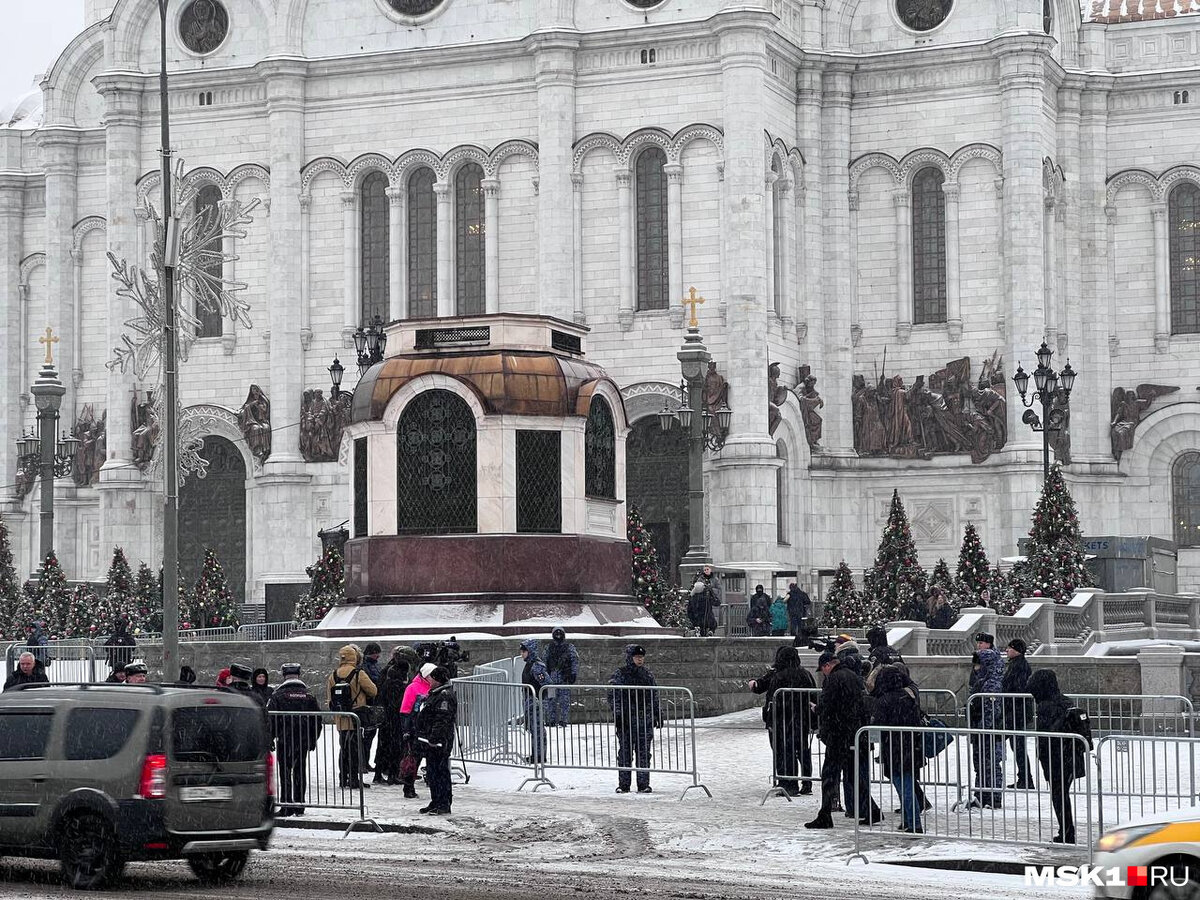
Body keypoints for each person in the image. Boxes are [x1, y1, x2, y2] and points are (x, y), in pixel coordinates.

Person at [805, 650, 881, 829]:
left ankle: (825, 814)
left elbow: (828, 706)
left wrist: (817, 709)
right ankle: (872, 810)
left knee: (829, 776)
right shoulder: (854, 677)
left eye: (823, 669)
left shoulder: (834, 679)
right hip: (854, 733)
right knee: (854, 776)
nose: (823, 673)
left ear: (827, 665)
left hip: (839, 735)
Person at [1028, 669, 1093, 844]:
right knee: (1061, 794)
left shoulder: (1046, 706)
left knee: (1059, 795)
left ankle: (1066, 832)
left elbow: (1046, 734)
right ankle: (1066, 831)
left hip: (1056, 756)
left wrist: (1042, 756)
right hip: (1070, 755)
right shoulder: (1064, 700)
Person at [749, 646, 815, 796]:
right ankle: (807, 782)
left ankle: (787, 783)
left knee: (783, 751)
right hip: (801, 720)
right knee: (803, 750)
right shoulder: (805, 674)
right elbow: (813, 696)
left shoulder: (778, 675)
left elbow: (772, 699)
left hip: (781, 721)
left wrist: (770, 718)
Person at [871, 665, 926, 833]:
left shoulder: (884, 700)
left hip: (894, 747)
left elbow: (878, 726)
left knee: (904, 786)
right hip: (909, 745)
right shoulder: (907, 697)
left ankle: (914, 822)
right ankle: (909, 820)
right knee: (907, 783)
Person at [267, 663, 322, 816]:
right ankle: (299, 804)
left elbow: (270, 720)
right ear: (299, 675)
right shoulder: (308, 695)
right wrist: (312, 739)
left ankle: (286, 804)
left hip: (285, 740)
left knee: (285, 772)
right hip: (302, 741)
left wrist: (270, 738)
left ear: (284, 675)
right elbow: (317, 720)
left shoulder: (277, 696)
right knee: (300, 771)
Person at [609, 645, 659, 794]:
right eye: (637, 657)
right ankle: (624, 785)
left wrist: (657, 713)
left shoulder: (647, 675)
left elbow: (654, 695)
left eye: (642, 657)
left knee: (643, 753)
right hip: (627, 720)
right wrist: (618, 714)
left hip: (644, 720)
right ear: (630, 657)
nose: (640, 659)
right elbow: (614, 696)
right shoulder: (620, 674)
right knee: (625, 753)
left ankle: (643, 784)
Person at [326, 645, 377, 790]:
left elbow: (330, 698)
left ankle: (343, 778)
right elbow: (373, 691)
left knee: (344, 748)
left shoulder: (333, 674)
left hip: (341, 718)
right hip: (355, 716)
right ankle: (354, 779)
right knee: (355, 750)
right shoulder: (358, 673)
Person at [966, 632, 1006, 809]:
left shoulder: (991, 679)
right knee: (981, 762)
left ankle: (993, 797)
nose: (979, 646)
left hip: (988, 728)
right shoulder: (984, 676)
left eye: (982, 643)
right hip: (981, 725)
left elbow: (991, 708)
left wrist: (984, 727)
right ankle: (982, 794)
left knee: (989, 762)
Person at [414, 666, 457, 815]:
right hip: (431, 739)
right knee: (433, 772)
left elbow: (442, 719)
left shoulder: (444, 696)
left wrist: (434, 737)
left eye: (431, 678)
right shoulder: (437, 693)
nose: (428, 681)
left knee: (440, 772)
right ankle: (436, 800)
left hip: (439, 741)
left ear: (437, 680)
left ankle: (443, 803)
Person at [399, 663, 437, 799]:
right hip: (416, 728)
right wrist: (406, 729)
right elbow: (405, 710)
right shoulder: (413, 688)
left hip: (429, 728)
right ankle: (408, 786)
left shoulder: (435, 688)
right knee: (414, 758)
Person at [1002, 638, 1035, 789]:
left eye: (1009, 648)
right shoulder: (1015, 664)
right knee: (1017, 745)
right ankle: (1024, 778)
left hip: (1016, 711)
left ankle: (1025, 779)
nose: (1007, 650)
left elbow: (1016, 687)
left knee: (1018, 746)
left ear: (1017, 650)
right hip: (1016, 711)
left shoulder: (1019, 666)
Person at [374, 651, 411, 785]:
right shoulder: (399, 686)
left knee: (382, 746)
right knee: (395, 748)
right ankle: (392, 774)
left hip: (384, 720)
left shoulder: (386, 682)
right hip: (394, 721)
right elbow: (398, 704)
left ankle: (378, 773)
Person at [519, 639, 549, 763]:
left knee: (537, 730)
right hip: (530, 702)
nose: (522, 654)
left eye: (524, 651)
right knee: (533, 729)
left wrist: (541, 701)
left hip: (536, 702)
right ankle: (536, 754)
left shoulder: (536, 666)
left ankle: (539, 756)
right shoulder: (529, 664)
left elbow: (547, 684)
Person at [543, 628, 579, 727]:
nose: (558, 635)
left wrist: (573, 674)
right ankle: (551, 720)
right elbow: (544, 662)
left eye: (560, 633)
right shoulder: (548, 647)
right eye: (556, 633)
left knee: (564, 701)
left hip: (564, 679)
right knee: (550, 700)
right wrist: (545, 676)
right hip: (551, 679)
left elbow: (574, 661)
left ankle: (564, 720)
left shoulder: (569, 647)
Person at [359, 642, 384, 773]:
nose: (378, 655)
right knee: (367, 735)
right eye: (376, 653)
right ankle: (362, 762)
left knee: (370, 735)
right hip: (369, 703)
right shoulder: (365, 666)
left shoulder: (373, 665)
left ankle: (365, 761)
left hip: (373, 703)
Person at [687, 565, 722, 637]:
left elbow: (718, 590)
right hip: (704, 603)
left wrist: (711, 590)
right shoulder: (700, 579)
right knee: (707, 619)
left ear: (710, 570)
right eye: (705, 570)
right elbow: (698, 587)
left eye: (707, 569)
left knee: (709, 618)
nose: (706, 571)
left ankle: (707, 630)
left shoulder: (715, 579)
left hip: (710, 600)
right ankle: (705, 630)